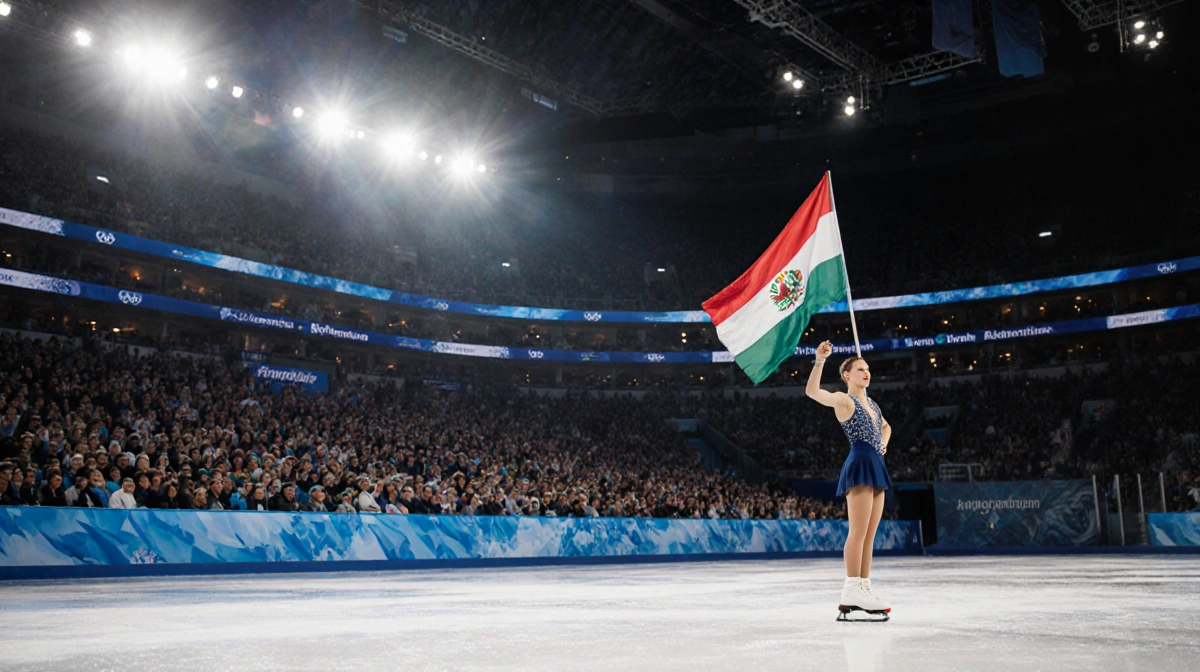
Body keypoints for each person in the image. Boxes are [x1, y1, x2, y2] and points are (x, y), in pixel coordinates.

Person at [805, 341, 892, 619]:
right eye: (860, 369)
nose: (867, 373)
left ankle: (863, 588)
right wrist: (820, 360)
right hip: (859, 464)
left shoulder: (874, 405)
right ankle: (851, 587)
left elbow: (886, 426)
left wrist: (883, 443)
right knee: (857, 532)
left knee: (870, 534)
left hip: (876, 463)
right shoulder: (845, 400)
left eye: (868, 369)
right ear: (847, 375)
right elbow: (812, 392)